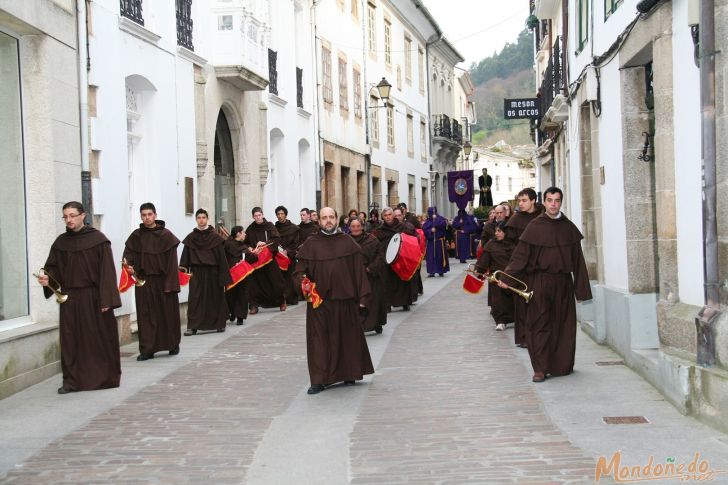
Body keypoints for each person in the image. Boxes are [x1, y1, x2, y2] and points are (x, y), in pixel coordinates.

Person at [502, 187, 593, 383]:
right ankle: (540, 369)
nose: (553, 204)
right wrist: (507, 277)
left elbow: (578, 261)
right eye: (550, 200)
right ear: (544, 201)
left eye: (557, 200)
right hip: (540, 282)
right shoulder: (534, 226)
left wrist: (581, 290)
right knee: (539, 324)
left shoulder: (568, 227)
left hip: (563, 284)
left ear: (561, 202)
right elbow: (520, 256)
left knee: (563, 325)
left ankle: (561, 365)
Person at [38, 201, 121, 394]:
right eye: (65, 216)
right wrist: (46, 280)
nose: (69, 220)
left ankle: (102, 378)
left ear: (83, 215)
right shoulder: (60, 243)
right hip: (69, 298)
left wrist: (106, 300)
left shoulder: (99, 240)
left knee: (96, 338)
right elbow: (53, 269)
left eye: (72, 215)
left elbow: (107, 272)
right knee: (71, 340)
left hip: (93, 298)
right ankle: (72, 382)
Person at [294, 207, 374, 395]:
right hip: (319, 303)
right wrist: (303, 283)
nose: (328, 220)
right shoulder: (310, 244)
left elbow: (359, 272)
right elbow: (299, 271)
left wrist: (363, 298)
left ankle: (349, 372)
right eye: (324, 218)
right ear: (319, 221)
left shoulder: (347, 242)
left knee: (347, 338)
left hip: (345, 300)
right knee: (319, 342)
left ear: (337, 219)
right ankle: (320, 380)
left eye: (331, 217)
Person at [123, 202, 181, 361]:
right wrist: (128, 267)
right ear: (141, 217)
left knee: (167, 314)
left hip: (164, 282)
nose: (147, 218)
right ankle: (147, 349)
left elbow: (171, 262)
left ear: (155, 215)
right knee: (146, 316)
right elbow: (128, 257)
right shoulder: (136, 236)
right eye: (143, 215)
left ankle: (172, 344)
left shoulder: (166, 235)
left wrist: (171, 284)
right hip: (144, 282)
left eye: (149, 214)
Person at [181, 209, 232, 335]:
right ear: (196, 219)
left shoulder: (215, 237)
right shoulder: (191, 238)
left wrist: (223, 276)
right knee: (194, 298)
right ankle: (192, 326)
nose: (201, 220)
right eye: (199, 217)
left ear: (207, 219)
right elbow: (185, 258)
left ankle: (219, 324)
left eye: (203, 217)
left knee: (215, 297)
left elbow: (221, 258)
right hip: (196, 273)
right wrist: (182, 272)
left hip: (213, 272)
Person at [505, 188, 543, 347]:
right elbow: (510, 245)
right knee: (522, 303)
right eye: (519, 200)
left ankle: (539, 335)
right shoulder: (515, 220)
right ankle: (523, 337)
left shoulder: (543, 216)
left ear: (533, 200)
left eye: (524, 200)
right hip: (521, 268)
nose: (520, 203)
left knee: (539, 303)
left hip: (540, 266)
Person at [475, 221, 515, 331]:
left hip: (511, 276)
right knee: (498, 301)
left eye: (499, 231)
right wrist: (479, 271)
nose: (496, 233)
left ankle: (513, 319)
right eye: (496, 231)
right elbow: (484, 260)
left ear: (506, 232)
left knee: (512, 300)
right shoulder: (490, 244)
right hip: (496, 277)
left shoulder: (513, 244)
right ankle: (500, 321)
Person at [245, 207, 286, 313]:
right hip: (256, 259)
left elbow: (277, 239)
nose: (258, 217)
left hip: (268, 258)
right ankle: (254, 305)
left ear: (262, 215)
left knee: (276, 280)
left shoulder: (270, 226)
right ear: (253, 217)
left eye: (259, 215)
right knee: (254, 283)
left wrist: (265, 243)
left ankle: (281, 301)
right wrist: (249, 248)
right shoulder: (250, 228)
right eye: (255, 216)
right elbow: (245, 242)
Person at [374, 207, 416, 311]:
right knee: (387, 282)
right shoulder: (380, 230)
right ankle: (388, 304)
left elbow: (411, 237)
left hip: (400, 258)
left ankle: (405, 302)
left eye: (389, 214)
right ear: (383, 217)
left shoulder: (402, 226)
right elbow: (375, 244)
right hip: (386, 260)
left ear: (393, 215)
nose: (388, 217)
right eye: (385, 215)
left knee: (402, 280)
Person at [349, 218, 385, 334]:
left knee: (373, 302)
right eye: (353, 226)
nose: (355, 229)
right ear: (349, 228)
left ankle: (375, 324)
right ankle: (358, 326)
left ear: (362, 227)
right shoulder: (346, 241)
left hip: (370, 276)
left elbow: (380, 256)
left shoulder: (372, 240)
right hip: (353, 278)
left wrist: (370, 268)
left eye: (357, 226)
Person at [224, 226, 258, 325]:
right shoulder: (232, 245)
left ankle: (238, 315)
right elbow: (251, 258)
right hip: (236, 275)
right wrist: (254, 254)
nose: (245, 234)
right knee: (237, 295)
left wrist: (254, 253)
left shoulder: (230, 245)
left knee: (237, 295)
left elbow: (249, 258)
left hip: (236, 275)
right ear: (238, 234)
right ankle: (237, 315)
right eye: (243, 232)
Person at [275, 205, 301, 306]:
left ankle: (291, 298)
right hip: (279, 257)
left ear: (286, 215)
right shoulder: (274, 228)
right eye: (278, 214)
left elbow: (296, 243)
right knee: (280, 278)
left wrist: (288, 251)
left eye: (282, 214)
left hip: (290, 256)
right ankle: (282, 299)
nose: (280, 216)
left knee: (290, 278)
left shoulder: (294, 228)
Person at [422, 206, 449, 277]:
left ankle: (441, 270)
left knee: (440, 256)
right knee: (431, 257)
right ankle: (432, 271)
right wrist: (430, 230)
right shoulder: (427, 221)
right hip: (431, 242)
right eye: (429, 213)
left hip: (439, 242)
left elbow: (443, 225)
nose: (430, 214)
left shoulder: (440, 219)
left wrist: (435, 219)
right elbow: (424, 230)